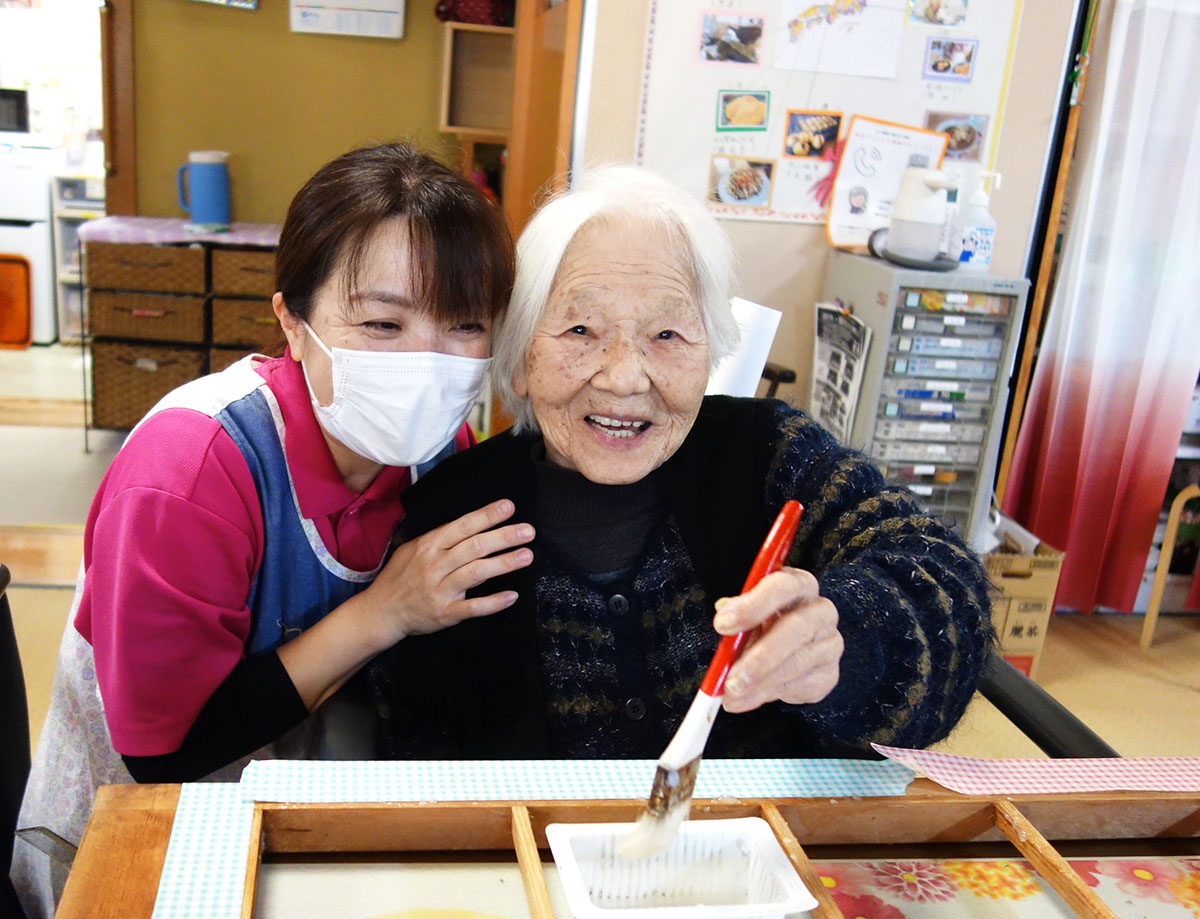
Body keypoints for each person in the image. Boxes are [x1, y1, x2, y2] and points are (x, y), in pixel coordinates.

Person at [11, 142, 535, 918]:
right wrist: (385, 609)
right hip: (130, 833)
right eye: (383, 322)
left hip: (295, 813)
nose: (427, 363)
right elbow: (164, 752)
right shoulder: (191, 471)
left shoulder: (439, 454)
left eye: (463, 323)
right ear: (292, 319)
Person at [366, 165, 995, 760]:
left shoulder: (771, 454)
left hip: (770, 854)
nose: (623, 378)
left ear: (709, 351)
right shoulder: (448, 517)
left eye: (667, 336)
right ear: (520, 355)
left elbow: (947, 589)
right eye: (580, 331)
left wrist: (848, 640)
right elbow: (419, 768)